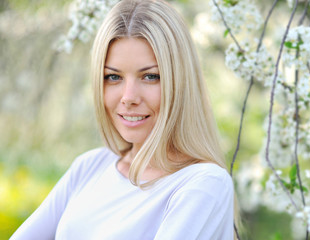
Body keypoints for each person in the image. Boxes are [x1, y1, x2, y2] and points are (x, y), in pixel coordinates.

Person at [10, 0, 234, 239]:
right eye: (113, 77)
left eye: (150, 76)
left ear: (180, 82)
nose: (128, 98)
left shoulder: (203, 184)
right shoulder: (91, 166)